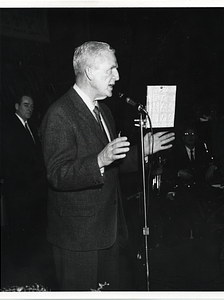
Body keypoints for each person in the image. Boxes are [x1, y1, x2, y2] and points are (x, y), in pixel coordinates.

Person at [40, 41, 175, 291]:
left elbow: (112, 165)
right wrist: (99, 160)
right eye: (111, 69)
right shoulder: (59, 114)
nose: (118, 76)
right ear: (90, 72)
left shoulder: (104, 112)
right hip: (78, 239)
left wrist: (141, 151)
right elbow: (57, 174)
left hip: (108, 232)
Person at [0, 94, 48, 267]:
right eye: (26, 105)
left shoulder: (32, 126)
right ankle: (18, 267)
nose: (30, 109)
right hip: (19, 190)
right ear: (16, 106)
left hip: (32, 190)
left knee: (30, 229)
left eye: (32, 106)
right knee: (19, 229)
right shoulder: (8, 127)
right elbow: (12, 161)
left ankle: (29, 263)